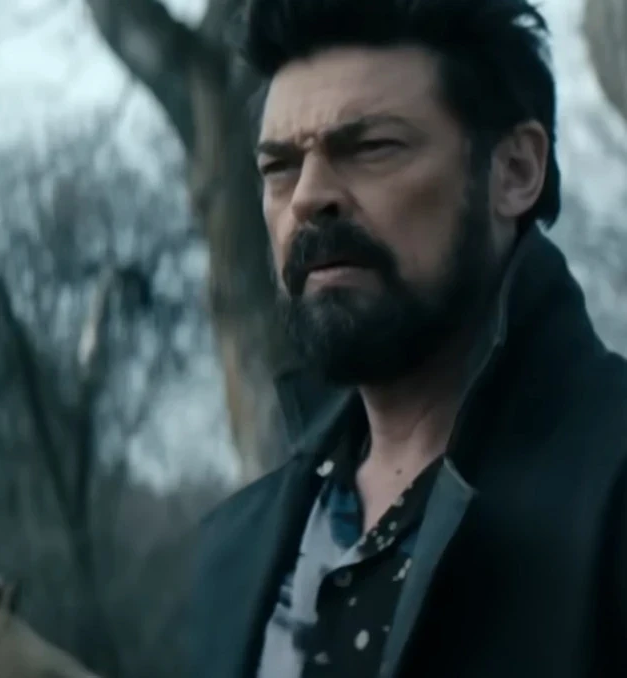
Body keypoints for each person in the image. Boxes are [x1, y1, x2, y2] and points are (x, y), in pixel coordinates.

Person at [188, 0, 627, 676]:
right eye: (280, 168)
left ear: (515, 170)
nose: (308, 197)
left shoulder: (610, 480)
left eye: (370, 148)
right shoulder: (230, 555)